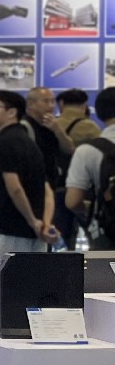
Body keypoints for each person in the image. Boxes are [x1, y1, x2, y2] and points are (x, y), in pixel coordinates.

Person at [0, 89, 57, 259]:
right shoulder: (30, 142)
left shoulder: (4, 142)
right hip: (35, 233)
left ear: (11, 112)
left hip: (8, 228)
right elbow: (47, 191)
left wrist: (32, 221)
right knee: (33, 275)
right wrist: (44, 223)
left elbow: (14, 188)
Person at [64, 86, 115, 249]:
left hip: (108, 233)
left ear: (99, 112)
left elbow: (72, 201)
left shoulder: (87, 151)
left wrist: (95, 206)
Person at [28, 86, 76, 247]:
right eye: (45, 101)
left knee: (53, 233)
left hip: (53, 186)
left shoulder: (51, 126)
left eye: (52, 101)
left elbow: (69, 149)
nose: (50, 105)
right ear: (31, 104)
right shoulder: (25, 127)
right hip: (34, 189)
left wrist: (57, 129)